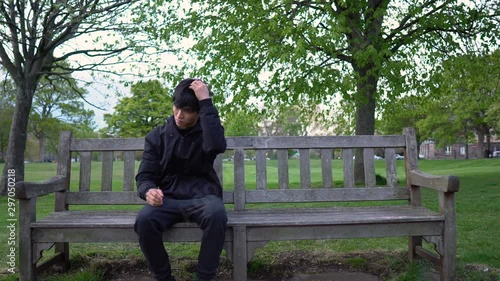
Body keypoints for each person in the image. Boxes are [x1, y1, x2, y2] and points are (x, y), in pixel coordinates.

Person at [134, 78, 228, 281]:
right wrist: (148, 191)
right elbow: (145, 175)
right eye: (177, 107)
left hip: (203, 197)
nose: (179, 114)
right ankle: (164, 278)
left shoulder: (207, 132)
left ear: (198, 112)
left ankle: (203, 278)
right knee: (144, 220)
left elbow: (216, 146)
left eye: (187, 110)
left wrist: (206, 102)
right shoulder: (156, 136)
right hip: (168, 199)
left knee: (217, 214)